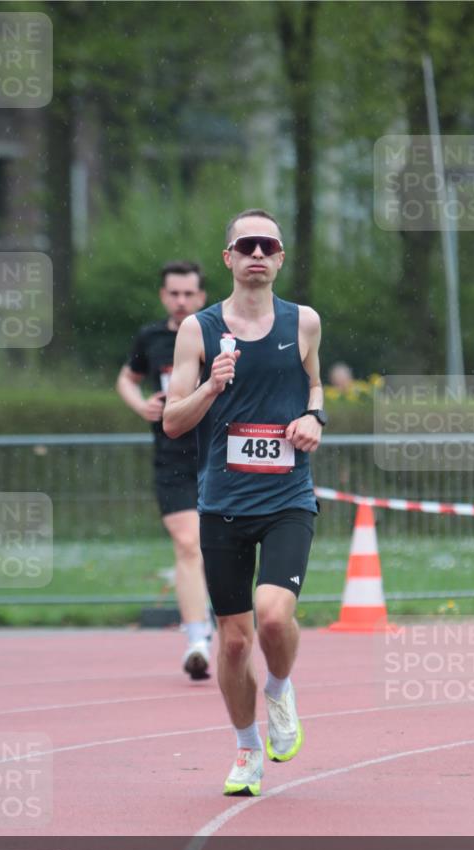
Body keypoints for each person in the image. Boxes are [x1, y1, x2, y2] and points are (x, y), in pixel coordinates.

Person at [163, 210, 326, 795]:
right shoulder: (198, 332)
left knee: (275, 615)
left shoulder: (303, 322)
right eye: (245, 245)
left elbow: (313, 384)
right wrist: (212, 384)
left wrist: (314, 416)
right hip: (223, 502)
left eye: (269, 244)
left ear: (280, 258)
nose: (257, 253)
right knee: (233, 640)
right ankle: (246, 748)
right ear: (228, 258)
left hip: (287, 496)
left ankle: (279, 689)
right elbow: (174, 422)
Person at [116, 261, 213, 680]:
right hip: (172, 456)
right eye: (173, 293)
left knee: (219, 548)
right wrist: (142, 405)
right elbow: (126, 378)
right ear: (163, 296)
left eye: (189, 294)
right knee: (187, 544)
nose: (181, 301)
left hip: (217, 453)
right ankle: (197, 639)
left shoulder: (218, 332)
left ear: (202, 297)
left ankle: (228, 626)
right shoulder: (151, 338)